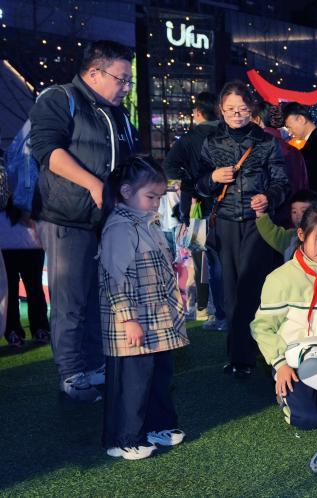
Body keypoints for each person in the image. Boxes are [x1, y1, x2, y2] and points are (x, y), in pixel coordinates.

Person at [29, 40, 140, 402]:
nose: (126, 87)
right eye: (121, 79)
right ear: (94, 73)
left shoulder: (118, 114)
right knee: (70, 300)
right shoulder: (60, 98)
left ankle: (93, 366)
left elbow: (130, 162)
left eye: (129, 81)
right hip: (66, 218)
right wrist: (93, 184)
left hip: (105, 221)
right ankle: (72, 374)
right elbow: (47, 150)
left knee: (98, 298)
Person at [197, 81, 290, 378]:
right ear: (221, 110)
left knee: (252, 288)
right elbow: (198, 185)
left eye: (242, 109)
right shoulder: (210, 142)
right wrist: (213, 177)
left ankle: (254, 354)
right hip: (224, 223)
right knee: (230, 294)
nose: (236, 114)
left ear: (251, 109)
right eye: (230, 109)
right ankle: (238, 355)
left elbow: (282, 182)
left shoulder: (266, 142)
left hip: (257, 223)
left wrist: (269, 198)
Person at [99, 155, 189, 460]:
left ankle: (157, 425)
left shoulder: (146, 224)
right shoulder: (119, 228)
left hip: (156, 321)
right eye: (151, 197)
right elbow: (116, 279)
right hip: (134, 324)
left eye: (159, 197)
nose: (156, 204)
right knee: (133, 383)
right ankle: (125, 438)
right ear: (126, 192)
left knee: (158, 377)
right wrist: (128, 319)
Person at [251, 203, 317, 428]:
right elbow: (262, 327)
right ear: (301, 235)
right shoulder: (280, 278)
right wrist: (280, 364)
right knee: (307, 418)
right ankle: (290, 400)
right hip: (292, 361)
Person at [163, 91, 225, 330]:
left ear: (198, 113)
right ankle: (226, 310)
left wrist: (189, 179)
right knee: (225, 260)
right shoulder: (227, 134)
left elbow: (169, 167)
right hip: (227, 206)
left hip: (197, 208)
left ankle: (208, 309)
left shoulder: (189, 139)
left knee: (204, 260)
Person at [253, 102, 308, 228]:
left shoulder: (256, 149)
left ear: (257, 120)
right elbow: (303, 187)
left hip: (264, 223)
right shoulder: (295, 152)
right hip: (291, 222)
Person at [1, 206, 50, 347]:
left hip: (33, 241)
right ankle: (12, 331)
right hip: (5, 240)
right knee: (10, 290)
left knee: (35, 288)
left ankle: (40, 328)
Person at [256, 188, 317, 263]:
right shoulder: (290, 237)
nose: (298, 216)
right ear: (300, 235)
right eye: (294, 212)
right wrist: (260, 214)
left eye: (304, 211)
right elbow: (272, 233)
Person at [283, 102, 317, 202]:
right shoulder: (315, 139)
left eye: (289, 127)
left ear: (301, 119)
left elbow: (313, 177)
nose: (290, 132)